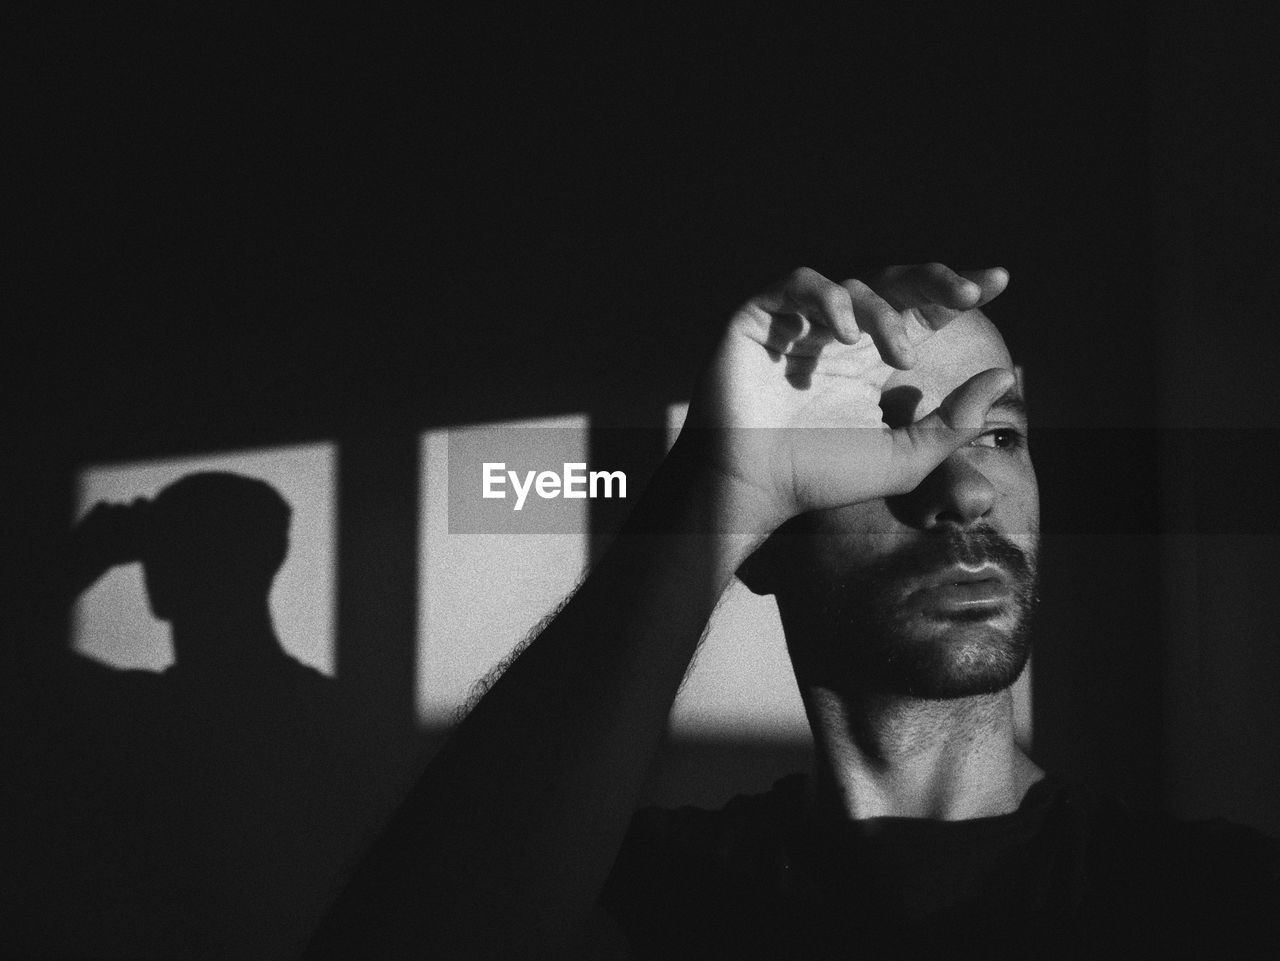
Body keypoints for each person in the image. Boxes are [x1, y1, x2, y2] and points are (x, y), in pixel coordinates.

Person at [304, 264, 1279, 960]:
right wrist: (716, 487)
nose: (970, 492)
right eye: (889, 433)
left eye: (1001, 433)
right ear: (764, 535)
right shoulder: (647, 899)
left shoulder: (1205, 901)